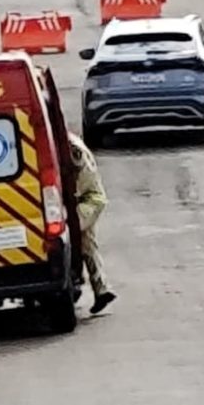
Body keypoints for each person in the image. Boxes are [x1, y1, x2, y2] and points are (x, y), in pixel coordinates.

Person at [66, 134, 116, 314]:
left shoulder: (70, 147)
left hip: (89, 200)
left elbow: (75, 173)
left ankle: (74, 281)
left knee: (69, 235)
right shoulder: (71, 140)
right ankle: (101, 290)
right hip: (90, 198)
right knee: (87, 244)